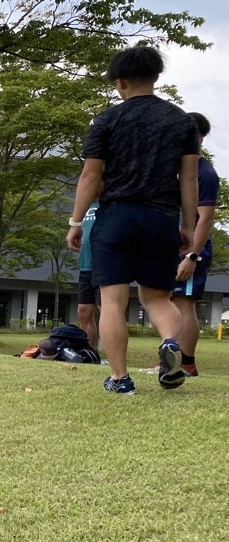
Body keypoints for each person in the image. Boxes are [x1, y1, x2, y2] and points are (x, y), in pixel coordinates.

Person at [65, 45, 199, 395]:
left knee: (112, 300)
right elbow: (188, 180)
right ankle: (171, 342)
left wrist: (76, 221)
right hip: (161, 217)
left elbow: (90, 177)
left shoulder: (105, 121)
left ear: (120, 82)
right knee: (157, 299)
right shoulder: (181, 121)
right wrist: (187, 225)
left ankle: (120, 379)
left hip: (116, 217)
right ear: (156, 77)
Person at [170, 112, 218, 377]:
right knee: (173, 301)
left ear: (198, 137)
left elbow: (206, 218)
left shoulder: (205, 173)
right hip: (173, 246)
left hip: (192, 250)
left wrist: (192, 255)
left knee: (183, 302)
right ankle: (170, 360)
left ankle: (185, 364)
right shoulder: (178, 170)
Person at [76, 200, 101, 351]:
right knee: (83, 311)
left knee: (106, 310)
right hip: (85, 267)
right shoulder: (84, 207)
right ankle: (90, 352)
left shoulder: (109, 202)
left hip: (105, 266)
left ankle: (113, 357)